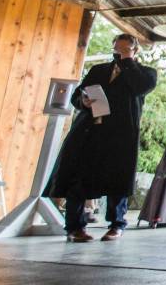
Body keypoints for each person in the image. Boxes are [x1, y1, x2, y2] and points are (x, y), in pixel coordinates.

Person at [43, 33, 157, 242]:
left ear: (135, 50)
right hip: (89, 130)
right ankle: (75, 227)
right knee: (77, 178)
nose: (119, 53)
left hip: (120, 135)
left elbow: (140, 88)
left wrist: (127, 62)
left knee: (117, 180)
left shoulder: (146, 73)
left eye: (125, 49)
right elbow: (78, 95)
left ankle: (116, 224)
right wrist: (83, 101)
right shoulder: (99, 70)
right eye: (117, 49)